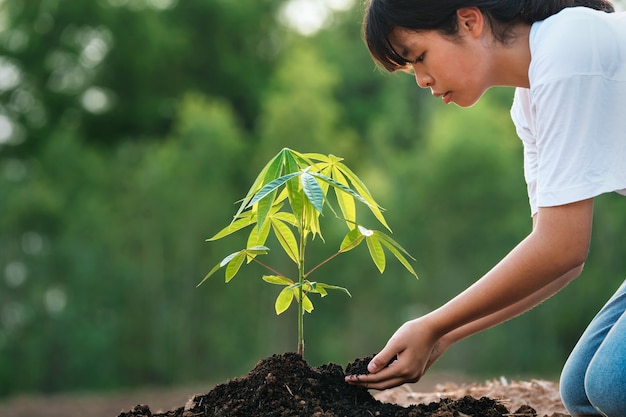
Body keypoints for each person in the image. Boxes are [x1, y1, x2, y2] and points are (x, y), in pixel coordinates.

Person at [344, 0, 626, 415]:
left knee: (610, 387)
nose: (421, 80)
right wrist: (444, 336)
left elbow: (562, 247)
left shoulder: (568, 49)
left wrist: (434, 322)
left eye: (420, 57)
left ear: (469, 21)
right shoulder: (529, 102)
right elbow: (560, 261)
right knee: (581, 395)